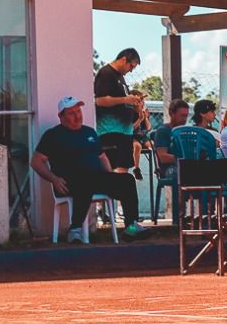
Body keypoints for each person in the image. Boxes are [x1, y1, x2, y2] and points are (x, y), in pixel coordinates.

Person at [32, 96, 149, 242]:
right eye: (72, 113)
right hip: (68, 181)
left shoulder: (89, 132)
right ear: (61, 116)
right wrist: (54, 179)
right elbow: (36, 162)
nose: (77, 116)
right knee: (85, 180)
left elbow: (102, 157)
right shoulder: (53, 135)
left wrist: (110, 176)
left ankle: (130, 227)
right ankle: (75, 230)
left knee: (127, 179)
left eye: (79, 111)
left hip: (95, 177)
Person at [93, 48, 146, 170]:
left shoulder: (120, 77)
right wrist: (125, 100)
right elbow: (100, 100)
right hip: (110, 133)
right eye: (131, 66)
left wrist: (134, 104)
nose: (131, 70)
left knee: (123, 171)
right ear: (123, 60)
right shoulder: (106, 73)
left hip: (125, 133)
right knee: (113, 173)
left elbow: (120, 101)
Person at [149, 99, 192, 187]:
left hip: (184, 166)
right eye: (182, 115)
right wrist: (186, 158)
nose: (184, 119)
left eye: (186, 116)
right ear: (171, 113)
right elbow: (162, 157)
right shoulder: (163, 131)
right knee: (183, 173)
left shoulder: (185, 131)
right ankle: (179, 200)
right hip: (169, 168)